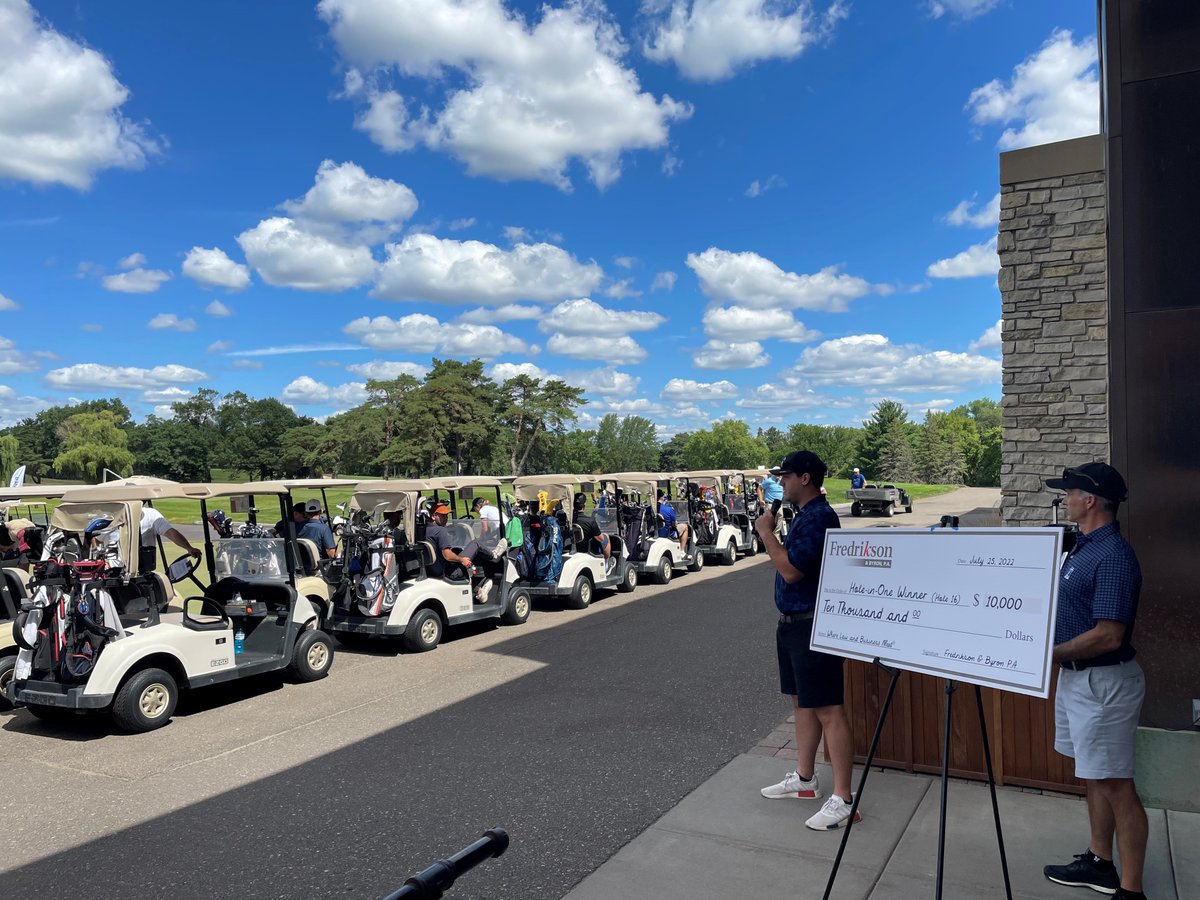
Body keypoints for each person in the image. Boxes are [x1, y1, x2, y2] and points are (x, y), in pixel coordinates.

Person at [1041, 462, 1147, 900]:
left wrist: (1047, 654)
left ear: (1089, 501)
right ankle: (1100, 862)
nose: (1064, 499)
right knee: (1095, 775)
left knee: (1116, 784)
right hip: (1078, 681)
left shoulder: (1114, 556)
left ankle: (1131, 889)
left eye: (1069, 493)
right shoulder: (1083, 547)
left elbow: (1109, 634)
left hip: (1104, 686)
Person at [755, 450, 859, 832]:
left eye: (785, 477)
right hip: (795, 624)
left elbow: (792, 571)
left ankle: (844, 799)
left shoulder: (819, 518)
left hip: (814, 625)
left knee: (829, 709)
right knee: (803, 703)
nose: (780, 483)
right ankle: (804, 778)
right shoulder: (804, 517)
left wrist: (767, 534)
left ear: (804, 478)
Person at [139, 506, 201, 573]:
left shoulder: (150, 514)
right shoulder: (149, 513)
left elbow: (171, 533)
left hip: (144, 567)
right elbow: (170, 533)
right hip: (137, 567)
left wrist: (189, 548)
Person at [573, 492, 614, 574]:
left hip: (573, 547)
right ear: (584, 505)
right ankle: (606, 564)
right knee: (605, 536)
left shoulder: (568, 520)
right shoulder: (590, 521)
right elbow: (601, 539)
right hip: (587, 549)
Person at [656, 489, 690, 558]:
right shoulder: (668, 509)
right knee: (685, 527)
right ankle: (682, 551)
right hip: (667, 533)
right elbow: (674, 524)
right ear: (662, 498)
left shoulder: (648, 509)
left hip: (653, 532)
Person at [757, 472, 786, 540]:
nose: (779, 475)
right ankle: (770, 546)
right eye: (777, 472)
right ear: (773, 473)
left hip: (779, 505)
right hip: (770, 505)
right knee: (770, 527)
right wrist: (761, 500)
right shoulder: (768, 481)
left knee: (778, 527)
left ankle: (777, 544)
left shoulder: (781, 481)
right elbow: (759, 488)